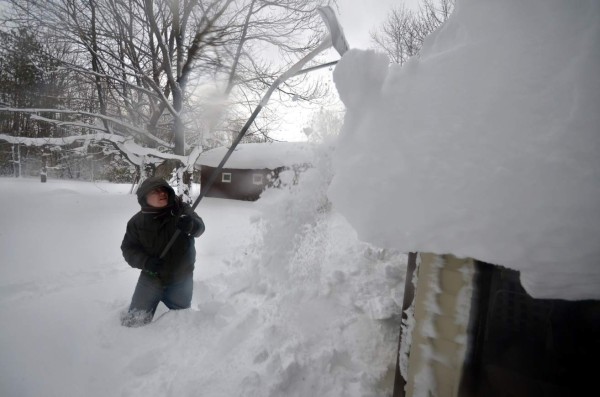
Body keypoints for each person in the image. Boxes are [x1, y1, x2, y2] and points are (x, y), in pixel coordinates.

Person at [120, 177, 205, 327]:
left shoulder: (182, 210)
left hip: (181, 278)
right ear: (144, 197)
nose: (162, 194)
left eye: (164, 190)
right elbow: (128, 249)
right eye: (155, 191)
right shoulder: (137, 222)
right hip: (150, 277)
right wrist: (146, 262)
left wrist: (191, 225)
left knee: (181, 322)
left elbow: (200, 228)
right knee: (133, 322)